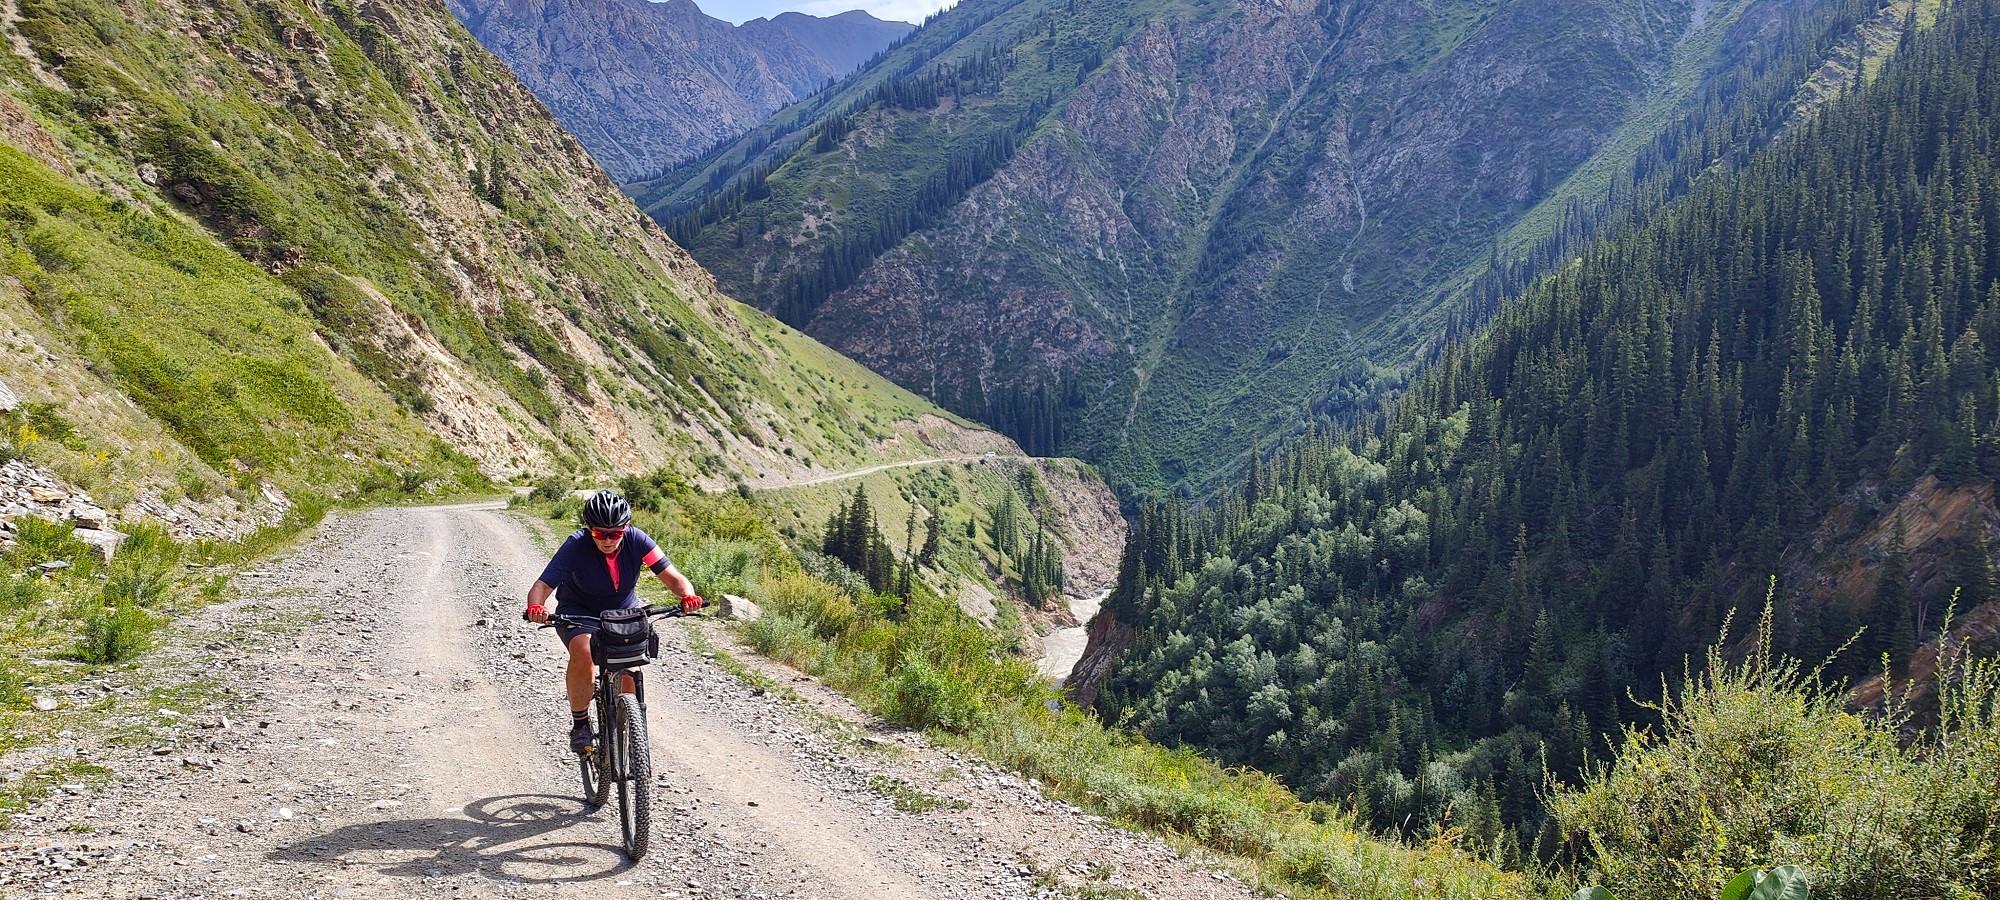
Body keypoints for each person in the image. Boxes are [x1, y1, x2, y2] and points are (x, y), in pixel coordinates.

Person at [524, 489, 702, 750]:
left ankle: (626, 726)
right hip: (579, 610)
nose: (608, 540)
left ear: (625, 528)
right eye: (599, 533)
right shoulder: (576, 545)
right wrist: (536, 607)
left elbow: (672, 575)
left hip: (622, 609)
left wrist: (688, 595)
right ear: (588, 529)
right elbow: (541, 586)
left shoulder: (638, 540)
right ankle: (581, 723)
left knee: (631, 666)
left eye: (615, 533)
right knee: (583, 649)